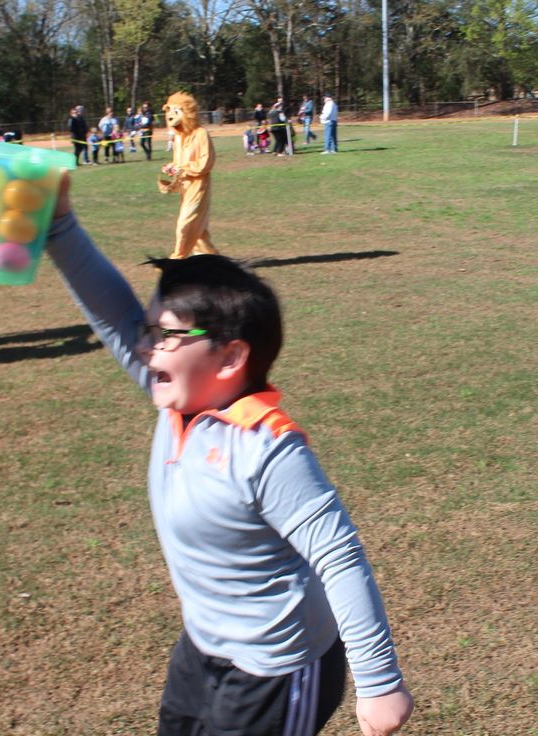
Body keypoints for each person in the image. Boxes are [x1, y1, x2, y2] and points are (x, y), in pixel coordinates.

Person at [44, 172, 414, 736]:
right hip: (205, 645)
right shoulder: (175, 403)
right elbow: (109, 310)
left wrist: (380, 682)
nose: (143, 346)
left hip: (279, 668)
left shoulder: (266, 448)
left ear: (229, 357)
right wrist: (58, 225)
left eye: (163, 336)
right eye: (147, 331)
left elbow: (339, 557)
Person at [159, 92, 218, 258]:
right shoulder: (179, 137)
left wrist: (183, 169)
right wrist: (172, 168)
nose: (170, 115)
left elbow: (205, 163)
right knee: (198, 229)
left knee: (185, 223)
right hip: (185, 187)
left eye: (176, 111)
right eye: (169, 110)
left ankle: (178, 259)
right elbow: (179, 162)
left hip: (199, 186)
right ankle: (211, 259)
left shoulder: (201, 134)